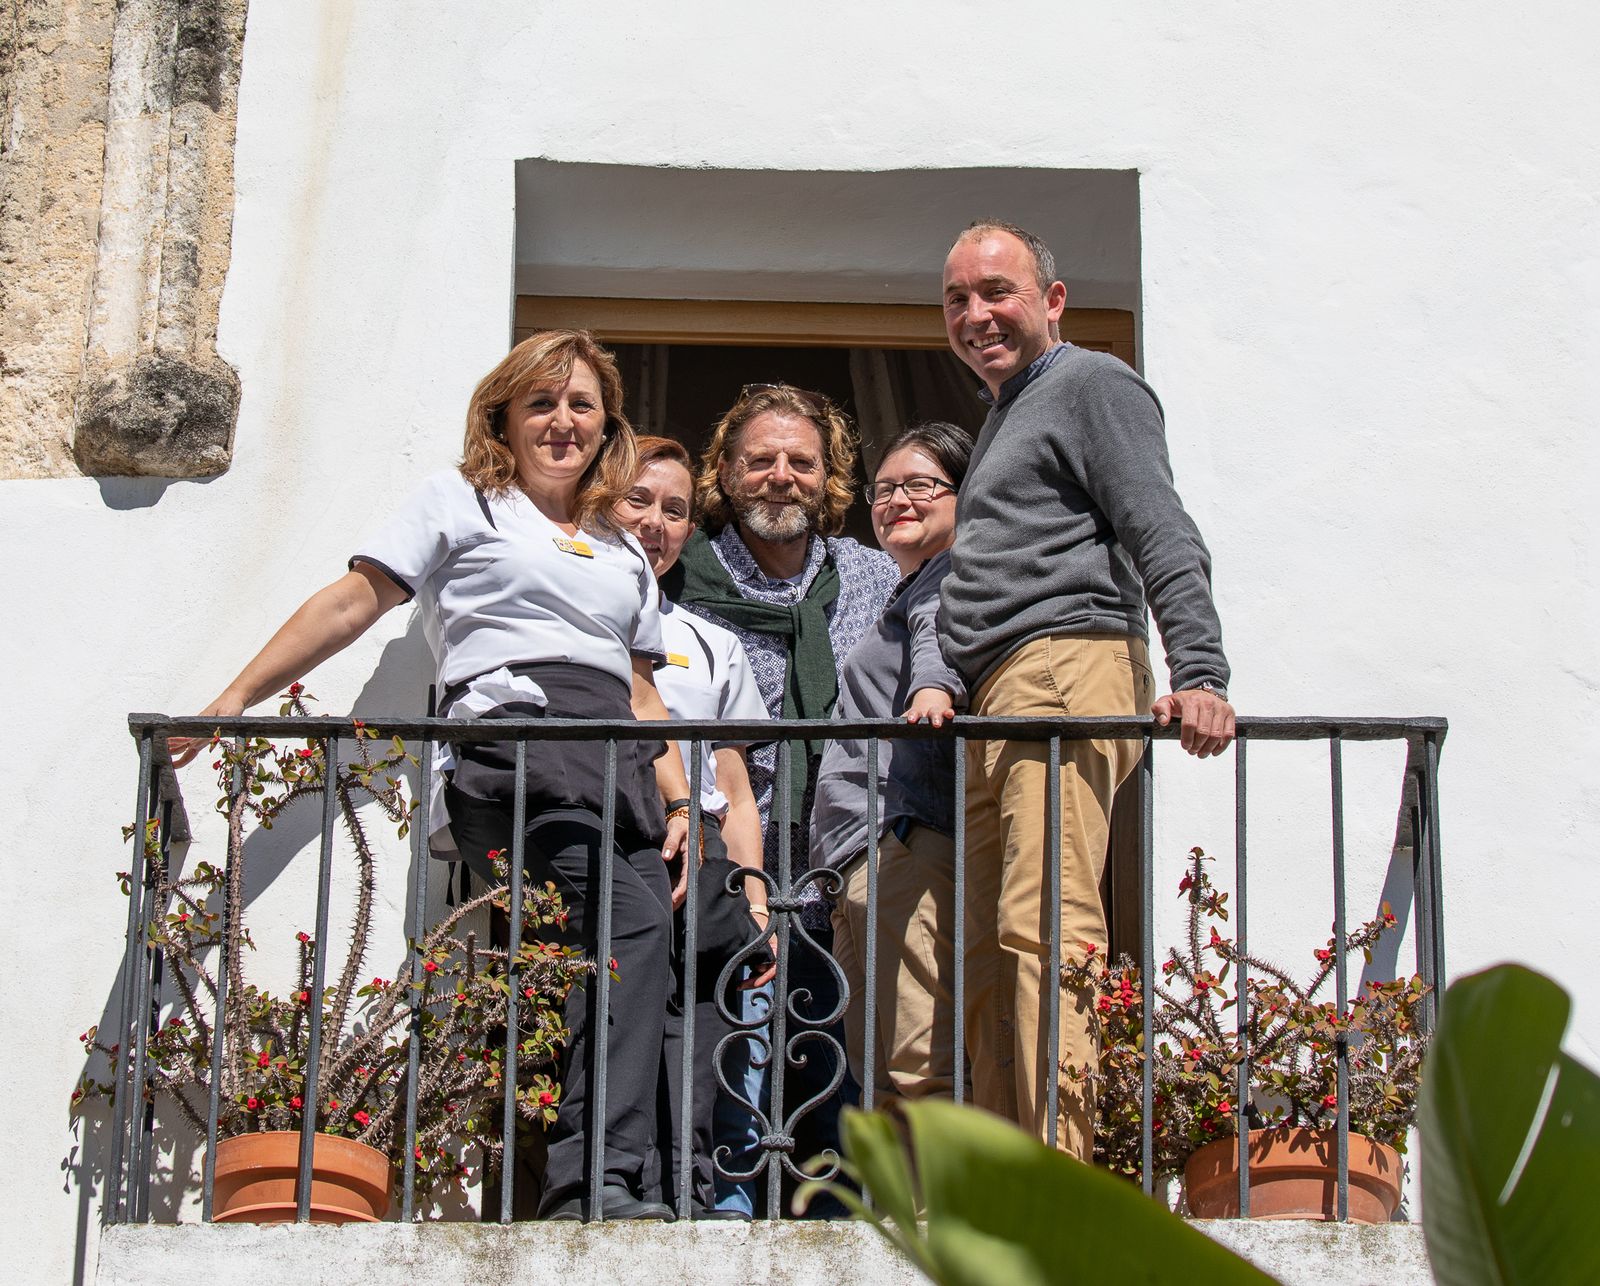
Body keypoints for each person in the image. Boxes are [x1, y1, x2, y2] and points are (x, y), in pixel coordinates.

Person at [171, 329, 693, 1221]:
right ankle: (591, 1180)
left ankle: (608, 1176)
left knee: (634, 951)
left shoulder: (620, 544)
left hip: (620, 762)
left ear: (608, 427)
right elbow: (351, 601)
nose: (562, 422)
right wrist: (237, 696)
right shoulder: (465, 502)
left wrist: (682, 800)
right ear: (505, 416)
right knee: (628, 930)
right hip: (516, 743)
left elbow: (642, 687)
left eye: (581, 405)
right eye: (541, 403)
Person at [937, 220, 1236, 1160]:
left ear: (1053, 301)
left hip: (1063, 670)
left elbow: (1161, 526)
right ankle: (1002, 1179)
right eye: (958, 299)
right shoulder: (1007, 415)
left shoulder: (1090, 384)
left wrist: (1201, 673)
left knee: (1044, 928)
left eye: (998, 291)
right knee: (988, 956)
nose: (977, 314)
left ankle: (1061, 1180)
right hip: (1000, 695)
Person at [662, 383, 901, 1214]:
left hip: (847, 847)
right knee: (730, 1041)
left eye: (802, 461)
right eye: (759, 460)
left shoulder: (874, 577)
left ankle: (840, 1222)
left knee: (846, 1044)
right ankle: (719, 1213)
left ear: (830, 476)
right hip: (730, 851)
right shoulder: (677, 578)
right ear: (724, 475)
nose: (781, 477)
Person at [611, 435, 773, 1218]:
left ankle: (698, 1200)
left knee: (702, 1045)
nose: (656, 522)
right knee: (615, 1028)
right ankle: (617, 1192)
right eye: (638, 500)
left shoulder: (714, 643)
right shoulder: (571, 617)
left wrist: (759, 906)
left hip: (703, 860)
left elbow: (735, 790)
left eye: (675, 510)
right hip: (616, 842)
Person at [812, 421, 973, 1106]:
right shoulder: (903, 591)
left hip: (899, 839)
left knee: (917, 1061)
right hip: (862, 854)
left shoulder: (948, 579)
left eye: (920, 485)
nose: (897, 501)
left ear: (967, 496)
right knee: (878, 1073)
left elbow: (940, 631)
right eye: (884, 490)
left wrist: (934, 689)